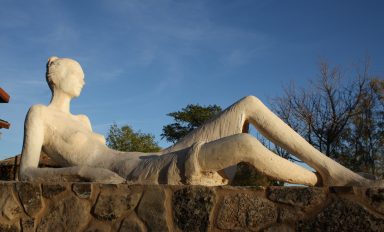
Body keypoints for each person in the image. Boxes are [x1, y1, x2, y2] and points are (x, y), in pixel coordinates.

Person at [19, 57, 377, 186]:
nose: (83, 79)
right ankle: (327, 179)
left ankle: (332, 171)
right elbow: (26, 174)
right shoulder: (39, 114)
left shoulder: (83, 117)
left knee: (249, 103)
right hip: (136, 175)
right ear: (57, 76)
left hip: (149, 159)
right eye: (77, 72)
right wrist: (83, 173)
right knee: (246, 146)